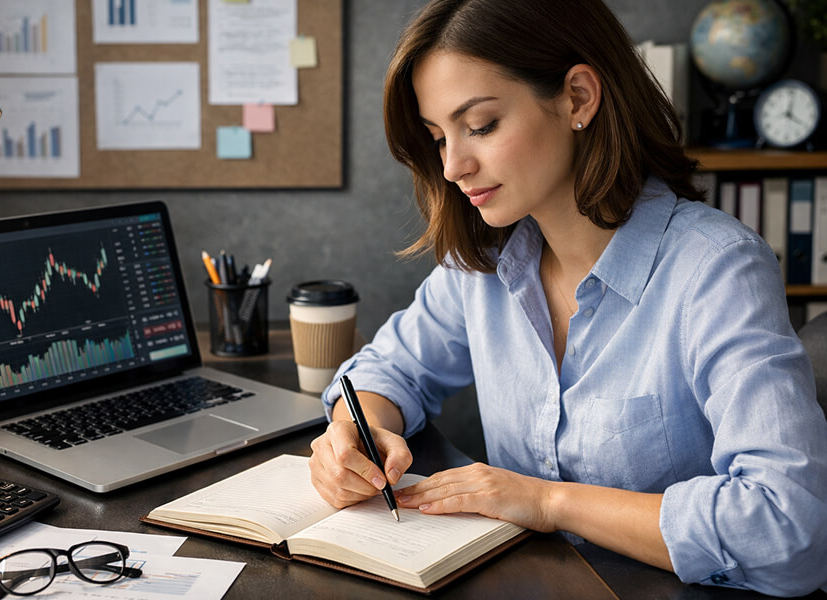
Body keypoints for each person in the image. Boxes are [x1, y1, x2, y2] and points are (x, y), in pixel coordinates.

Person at [307, 0, 827, 595]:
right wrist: (356, 430)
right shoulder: (485, 263)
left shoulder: (715, 269)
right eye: (437, 137)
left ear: (578, 98)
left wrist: (548, 501)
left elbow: (790, 528)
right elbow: (388, 368)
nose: (453, 165)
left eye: (479, 126)